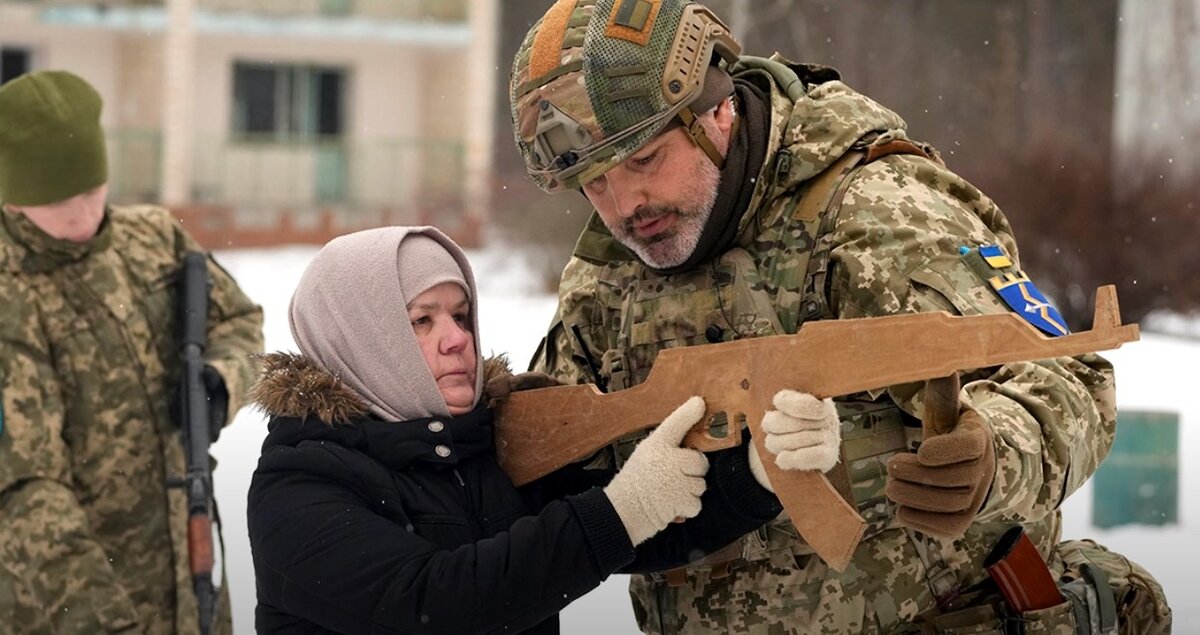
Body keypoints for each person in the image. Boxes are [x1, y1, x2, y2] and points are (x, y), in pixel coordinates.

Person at [508, 1, 1172, 633]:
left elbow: (1065, 375)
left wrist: (994, 454)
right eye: (594, 184)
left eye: (644, 160)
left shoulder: (873, 210)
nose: (626, 205)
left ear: (714, 115)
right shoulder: (606, 280)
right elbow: (536, 455)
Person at [245, 225, 784, 634]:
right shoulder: (298, 484)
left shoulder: (487, 445)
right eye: (421, 320)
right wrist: (623, 510)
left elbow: (648, 529)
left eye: (461, 316)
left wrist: (759, 474)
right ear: (358, 339)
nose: (456, 339)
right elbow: (439, 604)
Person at [0, 70, 264, 633]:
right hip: (69, 609)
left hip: (192, 585)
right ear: (14, 196)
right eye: (60, 202)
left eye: (92, 192)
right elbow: (26, 493)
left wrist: (220, 383)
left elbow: (240, 321)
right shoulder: (9, 294)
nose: (84, 216)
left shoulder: (151, 240)